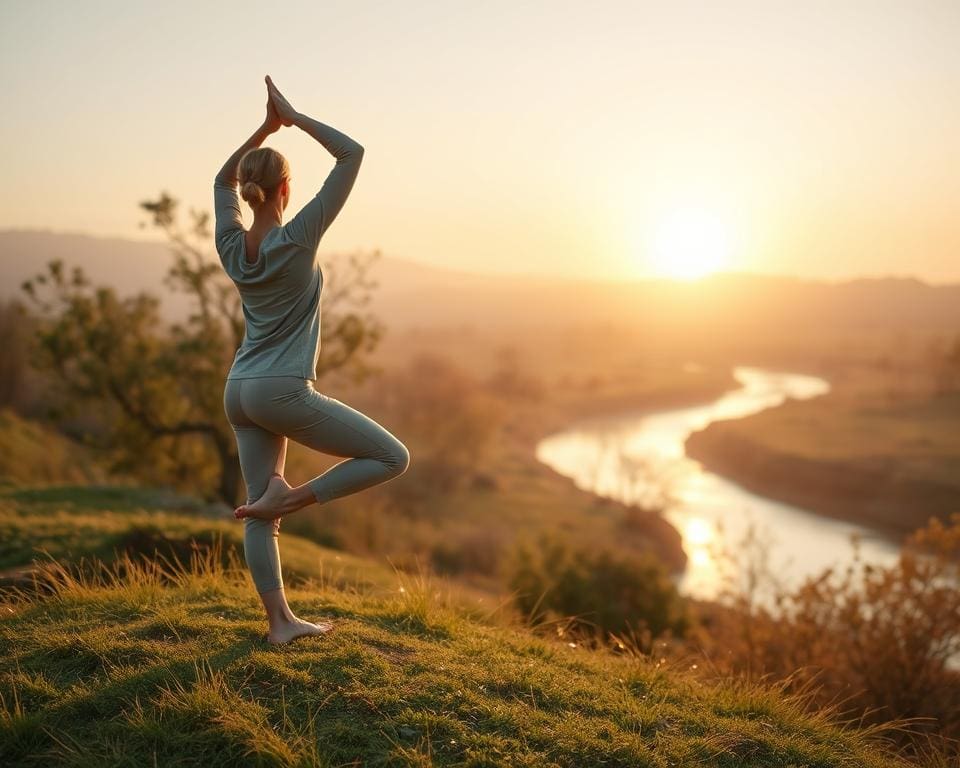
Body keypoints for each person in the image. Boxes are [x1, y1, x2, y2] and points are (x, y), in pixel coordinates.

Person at [213, 75, 410, 645]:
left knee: (257, 511)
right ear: (286, 191)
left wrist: (263, 131)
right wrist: (293, 120)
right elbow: (353, 153)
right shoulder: (298, 237)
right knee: (391, 456)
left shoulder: (231, 245)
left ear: (250, 190)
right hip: (280, 389)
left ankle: (280, 624)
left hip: (239, 388)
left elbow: (220, 179)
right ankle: (294, 498)